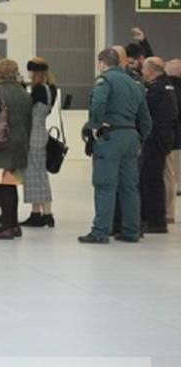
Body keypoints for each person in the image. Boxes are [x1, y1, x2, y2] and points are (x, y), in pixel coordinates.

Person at [79, 48, 153, 244]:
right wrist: (140, 138)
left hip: (110, 138)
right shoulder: (134, 83)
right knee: (129, 187)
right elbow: (145, 118)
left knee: (105, 185)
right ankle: (131, 231)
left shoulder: (105, 80)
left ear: (103, 63)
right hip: (131, 137)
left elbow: (99, 103)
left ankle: (100, 231)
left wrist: (95, 126)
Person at [0, 59, 33, 239]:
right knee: (12, 187)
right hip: (19, 144)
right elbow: (29, 121)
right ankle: (14, 224)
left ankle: (6, 225)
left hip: (2, 144)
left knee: (3, 188)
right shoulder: (24, 92)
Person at [139, 58, 179, 234]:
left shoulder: (157, 90)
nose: (142, 73)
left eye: (144, 70)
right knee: (156, 179)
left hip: (156, 140)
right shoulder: (167, 86)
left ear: (152, 71)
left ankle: (155, 221)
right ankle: (155, 218)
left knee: (152, 181)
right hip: (164, 139)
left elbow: (149, 115)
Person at [21, 57, 58, 228]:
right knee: (35, 175)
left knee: (38, 176)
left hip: (33, 134)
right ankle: (36, 213)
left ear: (36, 73)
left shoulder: (37, 90)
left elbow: (26, 108)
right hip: (42, 131)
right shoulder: (52, 89)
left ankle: (48, 214)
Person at [166, 59, 181, 224]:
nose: (165, 66)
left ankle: (169, 212)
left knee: (170, 175)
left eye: (169, 64)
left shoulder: (174, 88)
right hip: (173, 138)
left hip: (173, 139)